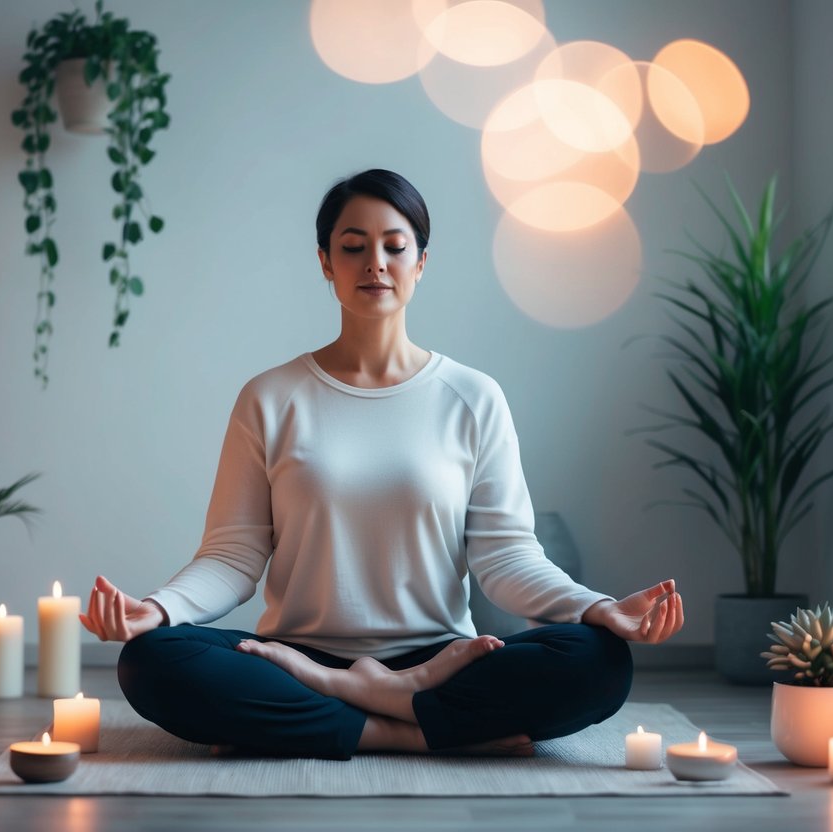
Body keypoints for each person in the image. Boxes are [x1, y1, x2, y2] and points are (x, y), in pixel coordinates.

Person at [80, 169, 684, 759]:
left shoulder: (473, 397)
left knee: (598, 660)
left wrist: (597, 608)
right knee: (152, 661)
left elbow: (506, 557)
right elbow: (233, 556)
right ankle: (400, 725)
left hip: (443, 661)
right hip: (295, 660)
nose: (375, 263)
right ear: (325, 263)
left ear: (420, 263)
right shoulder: (270, 397)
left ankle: (348, 710)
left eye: (395, 247)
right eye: (353, 247)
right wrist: (157, 609)